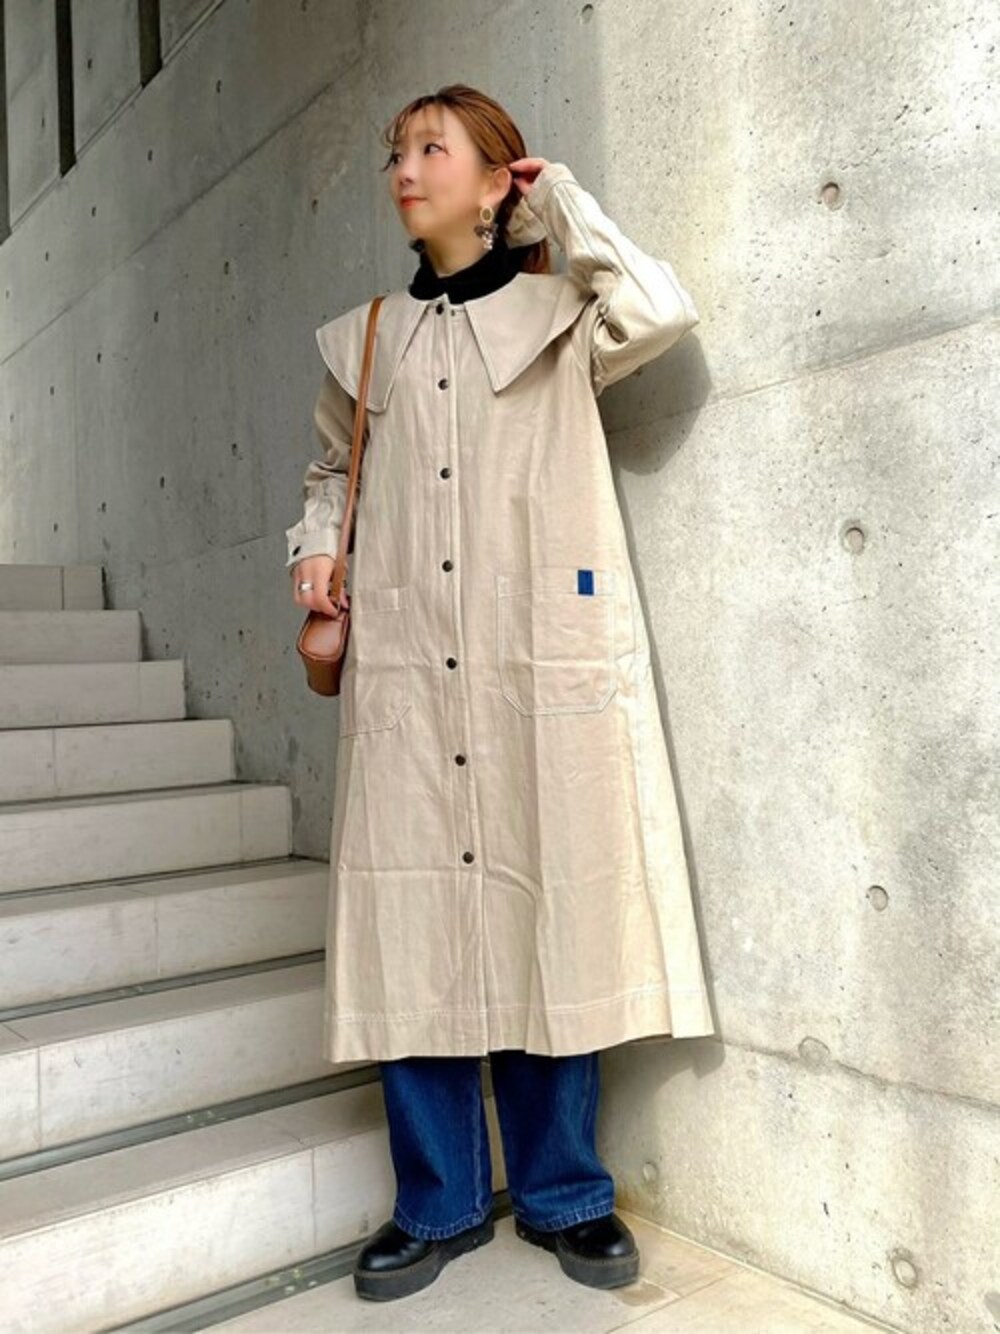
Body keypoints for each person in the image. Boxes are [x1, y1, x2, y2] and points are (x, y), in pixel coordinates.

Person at [285, 84, 713, 1303]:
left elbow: (660, 309)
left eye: (433, 148)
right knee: (409, 925)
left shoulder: (561, 319)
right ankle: (436, 1201)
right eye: (396, 151)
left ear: (491, 182)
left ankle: (566, 1190)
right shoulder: (364, 338)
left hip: (533, 663)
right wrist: (312, 548)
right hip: (409, 668)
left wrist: (559, 200)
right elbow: (331, 470)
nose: (404, 168)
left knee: (547, 904)